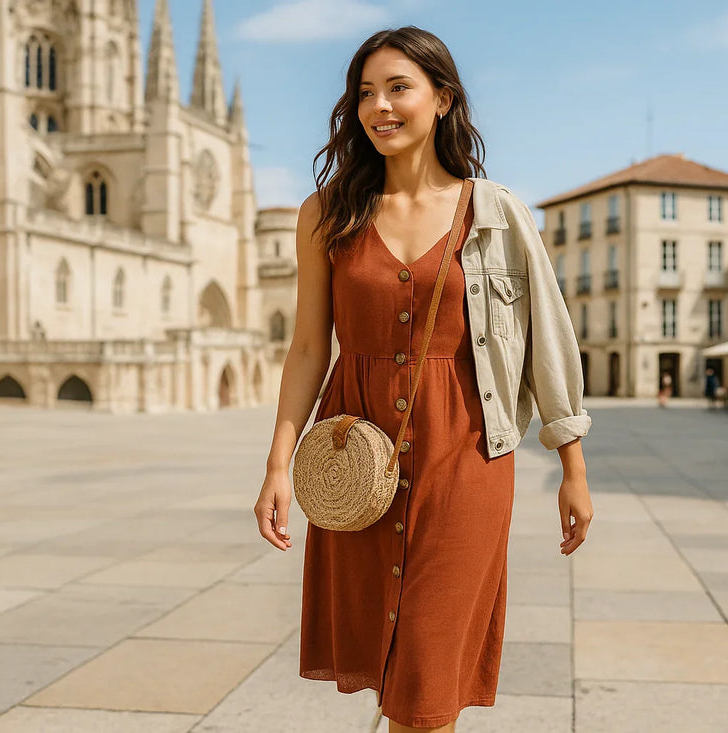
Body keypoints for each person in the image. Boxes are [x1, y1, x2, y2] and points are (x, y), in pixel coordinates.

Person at [251, 27, 593, 733]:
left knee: (428, 683)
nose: (378, 105)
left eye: (397, 87)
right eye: (364, 92)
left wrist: (572, 465)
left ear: (442, 98)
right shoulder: (327, 214)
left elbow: (546, 342)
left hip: (464, 453)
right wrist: (277, 462)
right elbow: (310, 345)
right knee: (387, 671)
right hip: (353, 456)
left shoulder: (496, 212)